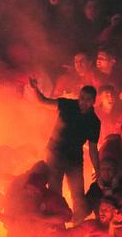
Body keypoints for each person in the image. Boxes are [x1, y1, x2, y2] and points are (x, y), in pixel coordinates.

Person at [29, 78, 101, 222]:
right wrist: (35, 89)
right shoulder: (67, 104)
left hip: (74, 159)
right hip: (55, 154)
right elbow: (43, 101)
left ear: (94, 101)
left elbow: (93, 148)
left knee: (78, 196)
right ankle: (57, 229)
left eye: (87, 99)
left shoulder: (94, 122)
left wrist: (97, 169)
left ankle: (77, 230)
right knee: (55, 192)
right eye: (81, 98)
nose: (83, 102)